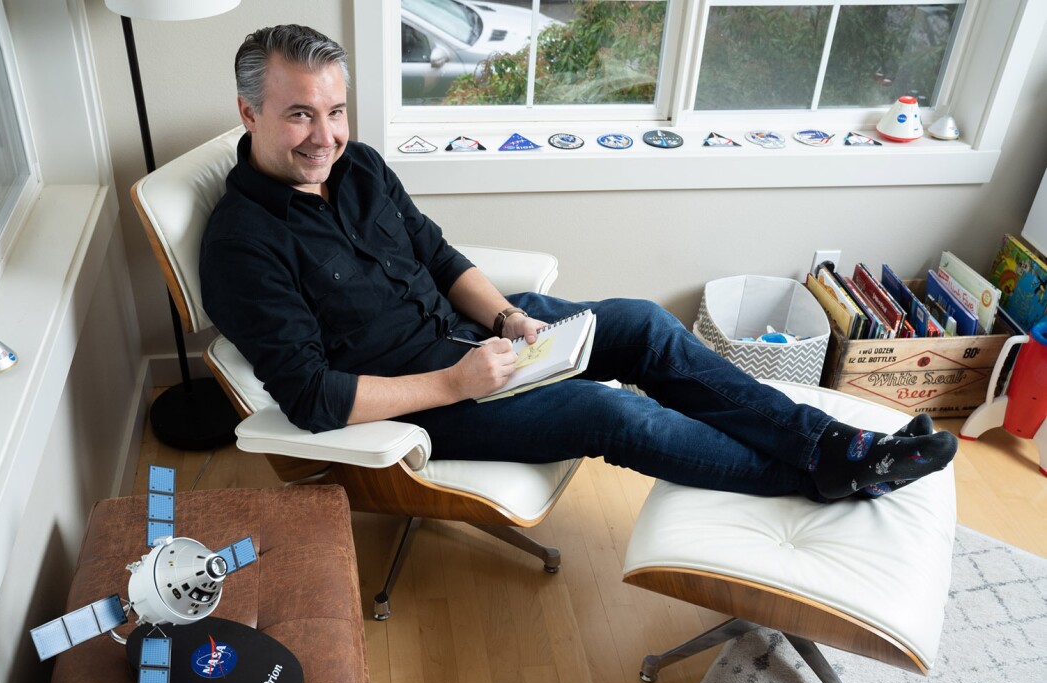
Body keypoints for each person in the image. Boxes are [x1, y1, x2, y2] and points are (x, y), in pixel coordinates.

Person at [200, 24, 957, 502]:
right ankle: (827, 477)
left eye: (334, 111)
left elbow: (435, 255)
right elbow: (309, 396)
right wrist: (455, 381)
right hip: (429, 397)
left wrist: (505, 315)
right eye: (300, 113)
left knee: (641, 325)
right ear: (250, 113)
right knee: (612, 410)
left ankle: (833, 443)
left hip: (478, 341)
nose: (324, 136)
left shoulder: (357, 166)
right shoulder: (242, 243)